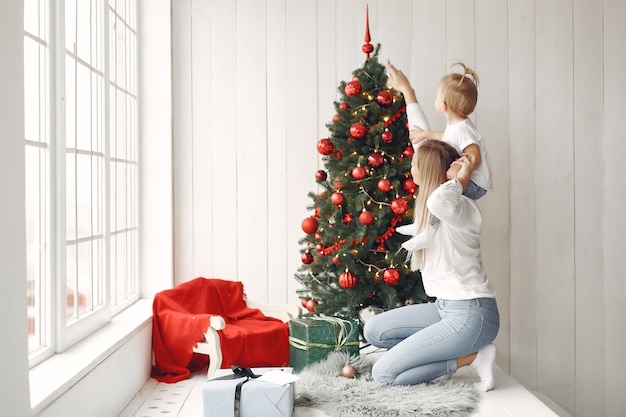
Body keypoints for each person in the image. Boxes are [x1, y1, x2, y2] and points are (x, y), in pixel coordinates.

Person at [362, 139, 499, 392]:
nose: (410, 167)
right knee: (374, 331)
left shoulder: (460, 208)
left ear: (425, 170)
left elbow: (439, 201)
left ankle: (471, 358)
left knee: (384, 374)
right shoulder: (436, 210)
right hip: (445, 308)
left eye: (414, 163)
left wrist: (462, 177)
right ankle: (430, 358)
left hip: (473, 314)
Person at [386, 59, 492, 200]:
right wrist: (426, 134)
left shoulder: (463, 130)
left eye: (437, 96)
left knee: (439, 192)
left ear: (443, 105)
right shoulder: (457, 125)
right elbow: (448, 136)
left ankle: (435, 220)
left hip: (475, 185)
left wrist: (458, 169)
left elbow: (474, 156)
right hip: (471, 182)